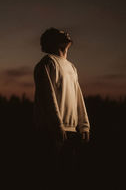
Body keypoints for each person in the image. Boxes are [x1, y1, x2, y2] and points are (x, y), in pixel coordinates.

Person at [33, 27, 90, 188]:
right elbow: (48, 97)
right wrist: (57, 125)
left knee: (68, 178)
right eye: (59, 33)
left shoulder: (71, 67)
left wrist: (84, 125)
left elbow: (78, 96)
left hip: (71, 131)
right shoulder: (47, 63)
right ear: (51, 41)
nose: (66, 33)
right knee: (51, 178)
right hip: (51, 132)